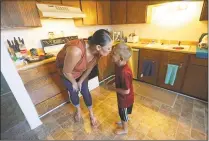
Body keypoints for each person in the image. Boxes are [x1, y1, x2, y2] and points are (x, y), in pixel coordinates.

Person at [56, 29, 113, 126]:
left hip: (80, 72)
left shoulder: (98, 53)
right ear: (98, 47)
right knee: (74, 92)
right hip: (67, 74)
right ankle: (78, 111)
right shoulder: (76, 51)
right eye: (108, 48)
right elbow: (66, 71)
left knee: (85, 90)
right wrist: (74, 83)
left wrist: (80, 81)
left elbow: (88, 69)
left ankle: (91, 114)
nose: (110, 51)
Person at [109, 43, 134, 135]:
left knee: (122, 112)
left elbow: (126, 91)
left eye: (114, 53)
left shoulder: (124, 72)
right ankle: (125, 118)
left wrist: (113, 89)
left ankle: (125, 129)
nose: (111, 53)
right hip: (126, 97)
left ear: (121, 58)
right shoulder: (118, 64)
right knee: (124, 112)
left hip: (125, 99)